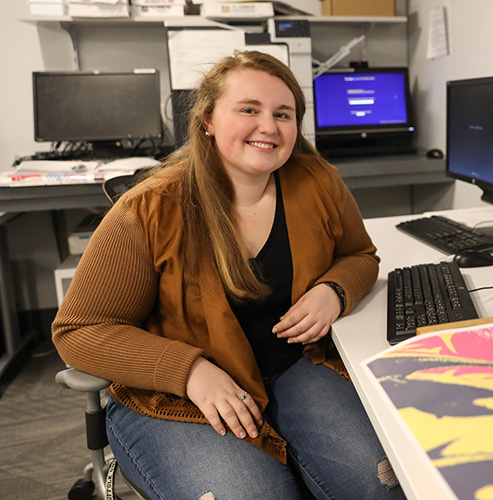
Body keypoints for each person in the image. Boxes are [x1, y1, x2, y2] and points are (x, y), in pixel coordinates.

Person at [52, 50, 405, 500]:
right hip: (177, 394)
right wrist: (190, 370)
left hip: (295, 366)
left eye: (283, 113)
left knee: (380, 484)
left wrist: (333, 291)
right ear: (207, 121)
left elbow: (359, 255)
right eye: (248, 110)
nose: (269, 126)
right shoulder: (148, 208)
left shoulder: (317, 181)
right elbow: (78, 331)